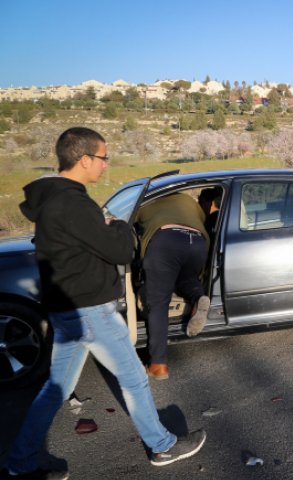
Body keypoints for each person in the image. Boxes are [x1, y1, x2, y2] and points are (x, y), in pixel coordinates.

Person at [2, 127, 206, 479]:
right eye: (103, 157)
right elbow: (120, 250)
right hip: (89, 309)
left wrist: (103, 226)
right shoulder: (75, 203)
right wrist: (122, 228)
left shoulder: (52, 200)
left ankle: (19, 464)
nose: (105, 165)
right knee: (133, 379)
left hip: (67, 307)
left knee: (56, 390)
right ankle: (162, 446)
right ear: (84, 159)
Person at [136, 193, 211, 380]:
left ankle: (158, 365)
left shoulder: (148, 199)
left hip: (166, 241)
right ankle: (197, 297)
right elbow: (202, 217)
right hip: (197, 241)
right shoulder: (187, 200)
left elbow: (129, 221)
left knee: (159, 302)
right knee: (187, 278)